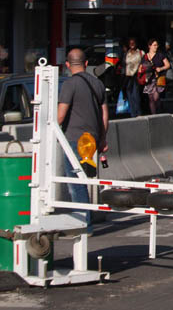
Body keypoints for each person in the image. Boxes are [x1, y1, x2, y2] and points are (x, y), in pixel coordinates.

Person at [57, 48, 108, 223]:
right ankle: (86, 217)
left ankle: (82, 223)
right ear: (86, 64)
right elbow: (104, 115)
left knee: (75, 181)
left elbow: (61, 115)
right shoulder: (98, 84)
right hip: (92, 140)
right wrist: (102, 139)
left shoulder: (69, 85)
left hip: (74, 138)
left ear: (67, 65)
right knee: (85, 178)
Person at [140, 39, 171, 115]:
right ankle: (154, 114)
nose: (156, 47)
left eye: (157, 45)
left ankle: (159, 110)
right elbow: (141, 66)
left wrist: (161, 68)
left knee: (156, 98)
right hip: (149, 79)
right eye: (154, 45)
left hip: (158, 78)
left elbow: (168, 65)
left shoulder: (160, 55)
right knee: (151, 98)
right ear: (149, 46)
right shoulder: (145, 56)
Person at [121, 37, 143, 118]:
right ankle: (133, 114)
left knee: (136, 95)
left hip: (137, 77)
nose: (132, 44)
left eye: (133, 43)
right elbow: (124, 65)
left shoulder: (140, 53)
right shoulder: (126, 53)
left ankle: (138, 112)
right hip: (128, 77)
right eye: (130, 43)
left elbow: (144, 63)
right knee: (129, 95)